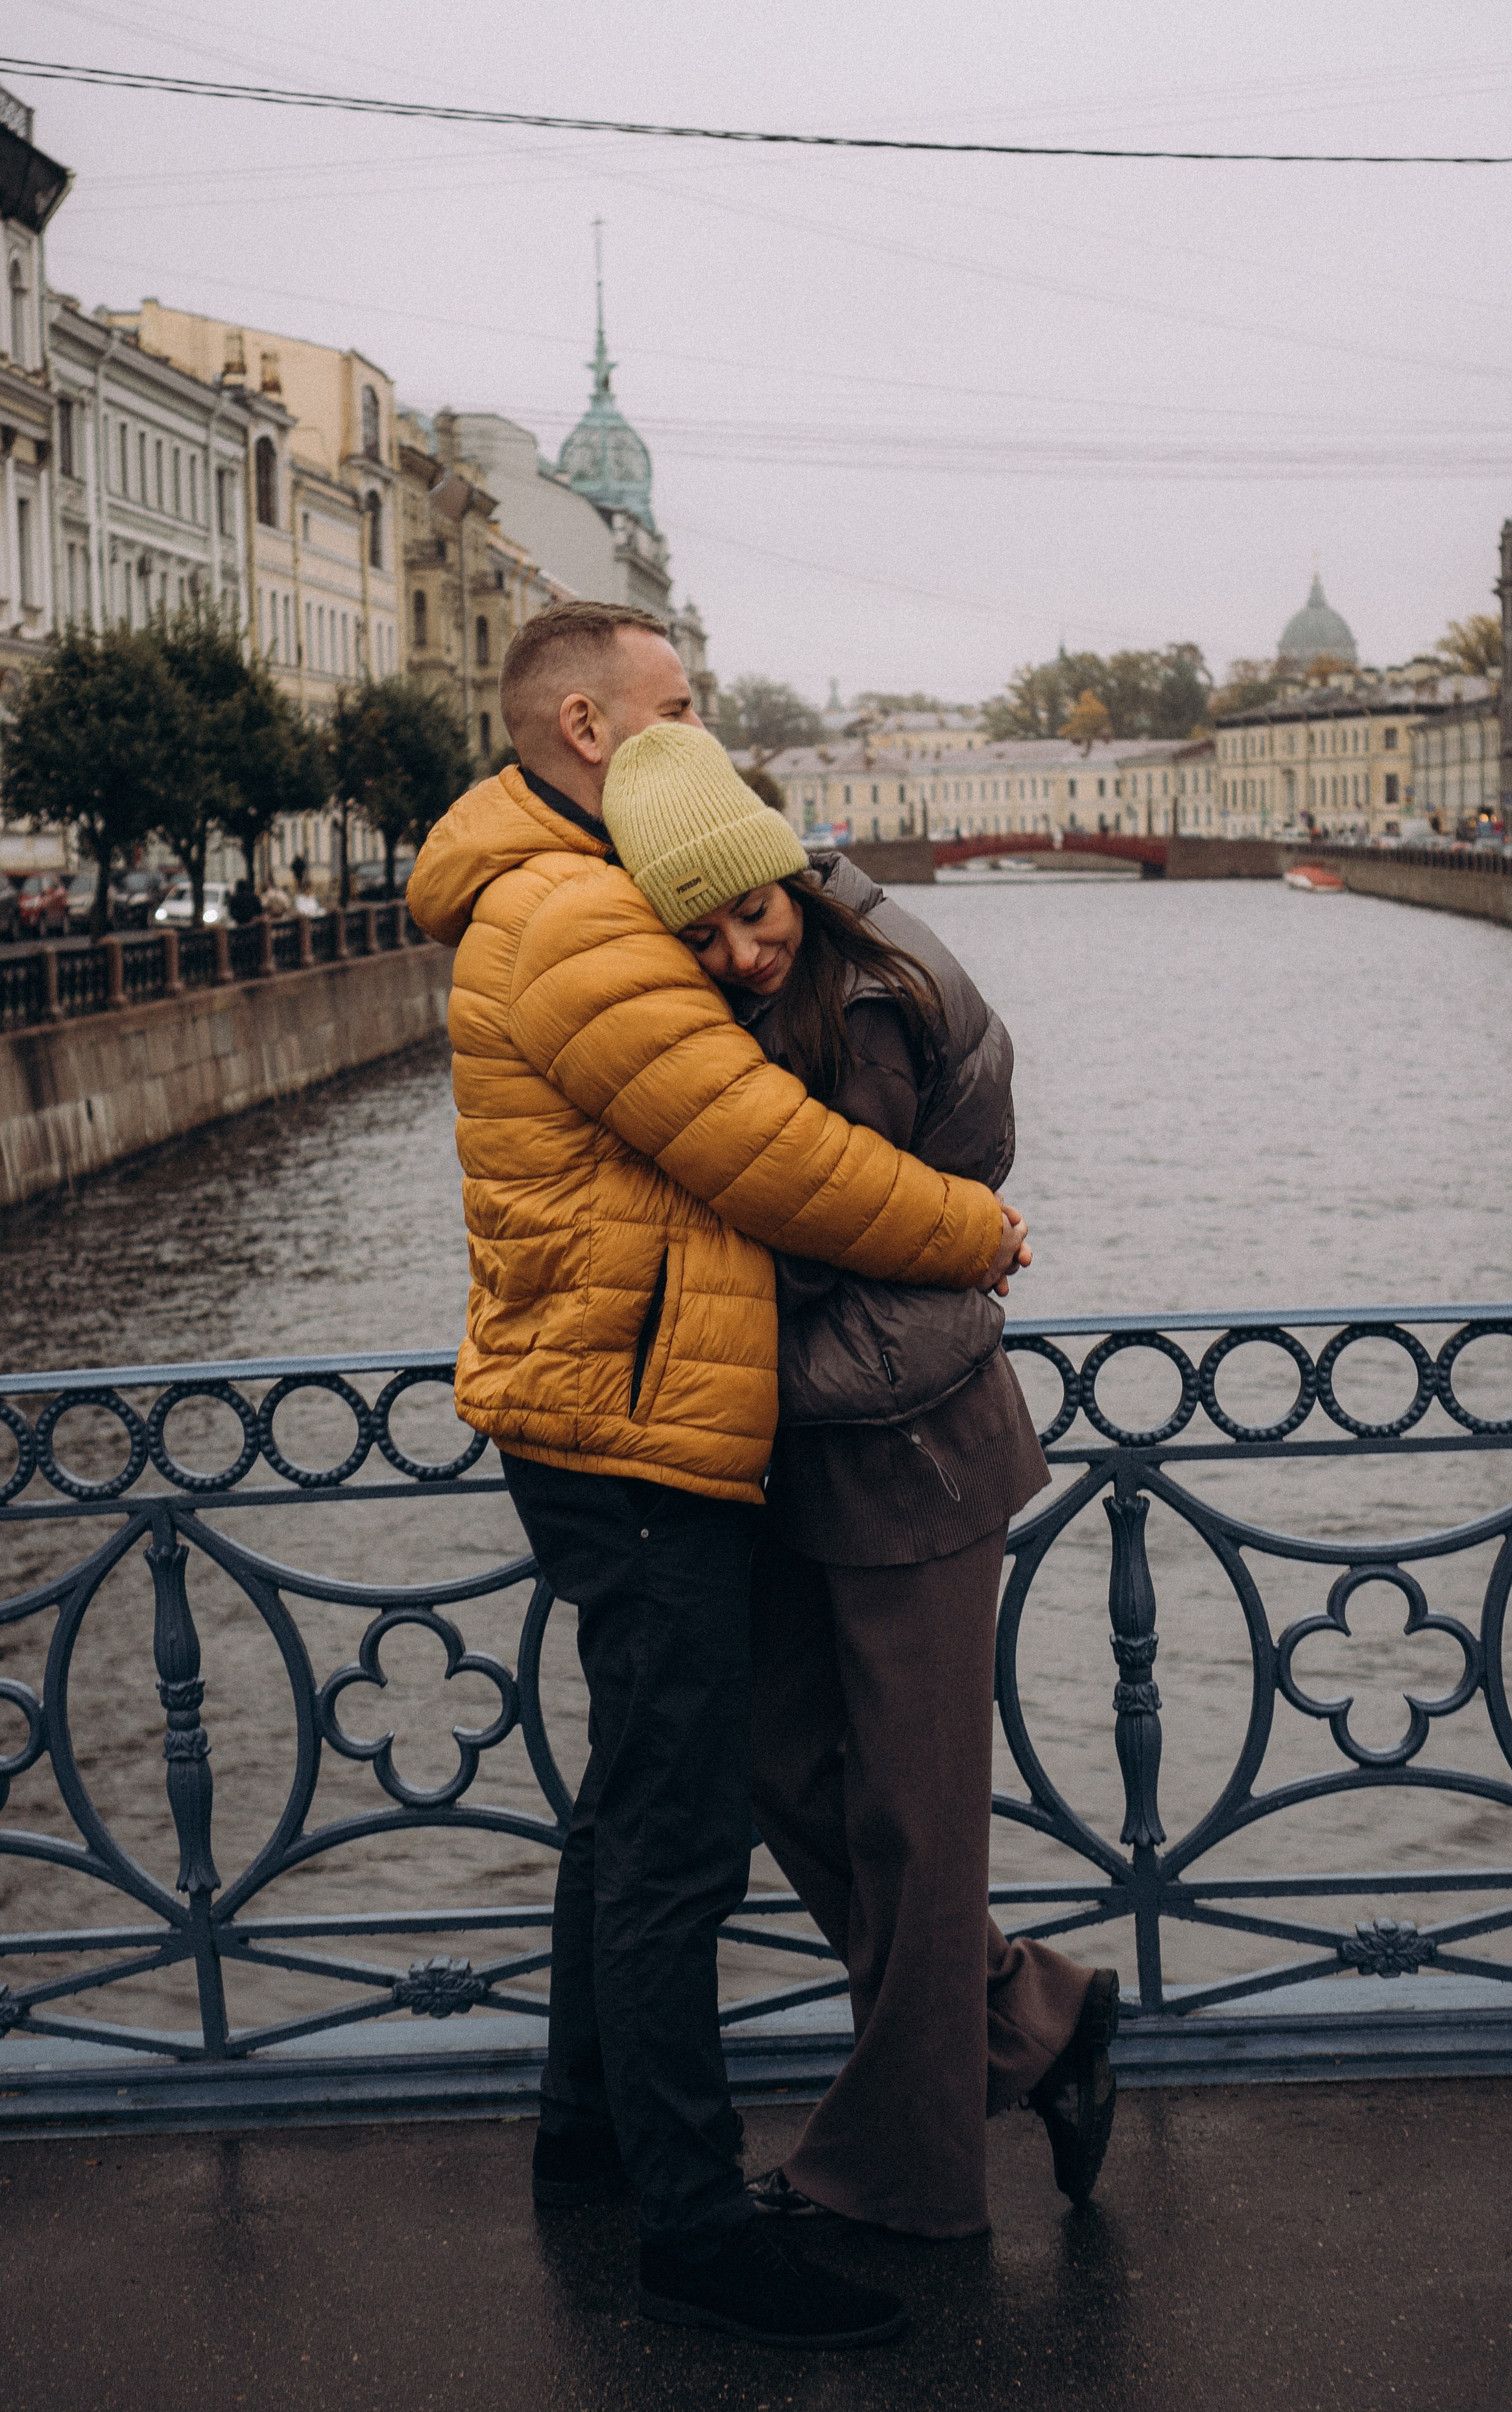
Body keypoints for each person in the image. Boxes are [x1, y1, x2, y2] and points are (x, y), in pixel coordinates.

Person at [406, 602, 1024, 2350]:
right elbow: (764, 1155)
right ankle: (692, 2223)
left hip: (610, 1389)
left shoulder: (578, 882)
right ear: (594, 726)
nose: (707, 727)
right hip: (632, 1412)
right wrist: (973, 1229)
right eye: (680, 704)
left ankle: (588, 2132)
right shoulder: (573, 910)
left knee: (635, 1788)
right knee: (680, 1828)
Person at [601, 721, 1121, 2241]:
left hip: (915, 1453)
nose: (738, 953)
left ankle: (896, 2180)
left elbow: (845, 1222)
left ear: (789, 881)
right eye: (697, 937)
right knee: (781, 1766)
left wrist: (688, 1221)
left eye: (748, 914)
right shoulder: (789, 992)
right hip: (816, 1443)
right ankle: (1037, 2021)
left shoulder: (865, 1005)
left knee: (912, 1820)